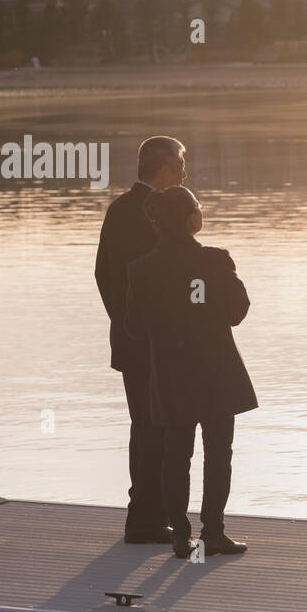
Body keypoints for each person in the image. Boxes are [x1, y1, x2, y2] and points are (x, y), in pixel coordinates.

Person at [124, 185, 257, 557]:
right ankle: (212, 532)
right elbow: (236, 312)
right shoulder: (215, 261)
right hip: (217, 373)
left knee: (175, 455)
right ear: (191, 219)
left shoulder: (140, 269)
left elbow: (134, 327)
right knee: (218, 453)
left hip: (170, 373)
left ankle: (180, 536)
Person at [94, 136, 188, 543]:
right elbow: (166, 275)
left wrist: (122, 320)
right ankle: (148, 521)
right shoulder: (157, 211)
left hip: (131, 340)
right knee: (158, 429)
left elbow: (102, 273)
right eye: (181, 165)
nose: (185, 173)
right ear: (164, 169)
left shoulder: (118, 208)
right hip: (156, 342)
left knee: (146, 427)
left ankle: (147, 516)